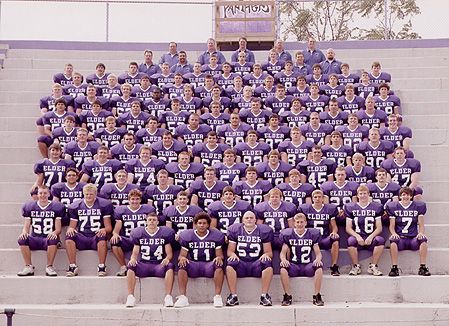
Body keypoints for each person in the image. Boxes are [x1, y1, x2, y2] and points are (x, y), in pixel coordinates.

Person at [125, 212, 175, 308]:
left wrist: (167, 258)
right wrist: (132, 259)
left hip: (158, 265)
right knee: (131, 266)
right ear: (146, 222)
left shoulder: (164, 233)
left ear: (158, 222)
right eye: (150, 220)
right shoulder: (139, 233)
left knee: (170, 266)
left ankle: (168, 296)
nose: (152, 222)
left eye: (154, 220)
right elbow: (135, 252)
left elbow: (169, 253)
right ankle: (130, 296)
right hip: (144, 264)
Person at [175, 212, 226, 308]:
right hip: (194, 265)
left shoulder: (216, 235)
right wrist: (182, 258)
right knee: (182, 264)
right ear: (195, 224)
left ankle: (217, 296)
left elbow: (220, 255)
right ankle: (183, 297)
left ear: (208, 225)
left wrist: (219, 257)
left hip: (209, 265)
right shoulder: (188, 235)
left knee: (219, 265)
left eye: (204, 223)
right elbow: (181, 255)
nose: (202, 225)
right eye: (199, 223)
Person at [225, 211, 274, 306]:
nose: (249, 220)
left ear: (255, 220)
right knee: (230, 264)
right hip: (241, 263)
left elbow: (269, 252)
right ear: (242, 220)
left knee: (267, 263)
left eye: (251, 218)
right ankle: (233, 296)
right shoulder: (235, 230)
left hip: (256, 263)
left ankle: (264, 296)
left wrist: (266, 254)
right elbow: (230, 251)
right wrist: (232, 254)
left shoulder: (263, 231)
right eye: (247, 218)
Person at [65, 184, 113, 276]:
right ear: (83, 194)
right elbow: (72, 226)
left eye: (91, 194)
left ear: (95, 194)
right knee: (69, 235)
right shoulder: (76, 206)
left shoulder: (103, 205)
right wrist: (70, 229)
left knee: (102, 235)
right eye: (86, 194)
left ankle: (102, 266)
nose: (88, 196)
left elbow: (109, 228)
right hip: (82, 237)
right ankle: (72, 266)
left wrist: (104, 229)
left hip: (95, 237)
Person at [17, 186, 65, 277]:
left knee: (53, 239)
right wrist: (24, 232)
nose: (43, 195)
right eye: (40, 193)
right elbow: (26, 226)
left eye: (45, 193)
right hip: (35, 237)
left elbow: (58, 229)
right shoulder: (30, 207)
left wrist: (54, 232)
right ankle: (28, 266)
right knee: (22, 239)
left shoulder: (56, 207)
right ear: (37, 194)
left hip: (47, 238)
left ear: (49, 194)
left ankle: (49, 266)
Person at [279, 213, 324, 306]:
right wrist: (283, 260)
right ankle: (287, 295)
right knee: (283, 269)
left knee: (319, 267)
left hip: (307, 265)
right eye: (297, 222)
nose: (299, 224)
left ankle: (317, 295)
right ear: (294, 223)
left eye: (301, 222)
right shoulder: (288, 234)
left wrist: (318, 259)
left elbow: (318, 253)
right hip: (294, 265)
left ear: (306, 223)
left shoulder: (312, 234)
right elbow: (283, 253)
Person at [386, 187, 430, 277]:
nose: (405, 197)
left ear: (411, 196)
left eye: (408, 195)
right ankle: (394, 267)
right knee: (393, 241)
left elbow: (421, 224)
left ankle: (423, 267)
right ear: (400, 196)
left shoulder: (418, 206)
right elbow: (391, 225)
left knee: (423, 240)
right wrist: (393, 233)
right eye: (403, 195)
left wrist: (421, 233)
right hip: (401, 239)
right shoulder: (393, 207)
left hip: (413, 238)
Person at [111, 189, 156, 276]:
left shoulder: (148, 209)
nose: (135, 201)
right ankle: (124, 267)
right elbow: (118, 226)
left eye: (137, 199)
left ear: (140, 200)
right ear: (129, 200)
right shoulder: (121, 210)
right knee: (114, 242)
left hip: (143, 240)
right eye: (133, 199)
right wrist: (115, 234)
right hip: (128, 238)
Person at [344, 185, 385, 276]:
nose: (363, 196)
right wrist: (357, 236)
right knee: (350, 241)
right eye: (361, 194)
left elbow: (379, 227)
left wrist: (371, 236)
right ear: (357, 195)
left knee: (380, 240)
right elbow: (348, 228)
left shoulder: (376, 207)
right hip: (358, 237)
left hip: (370, 237)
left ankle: (373, 266)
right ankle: (356, 266)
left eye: (365, 193)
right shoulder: (350, 207)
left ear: (368, 195)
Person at [298, 190, 340, 275]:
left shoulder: (329, 209)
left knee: (335, 239)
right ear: (312, 199)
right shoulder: (305, 209)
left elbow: (334, 226)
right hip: (310, 239)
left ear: (323, 198)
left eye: (319, 197)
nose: (317, 199)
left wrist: (334, 232)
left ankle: (334, 266)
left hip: (324, 238)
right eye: (315, 197)